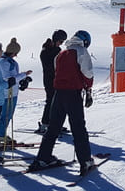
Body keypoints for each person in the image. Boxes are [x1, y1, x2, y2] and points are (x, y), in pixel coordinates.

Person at [31, 30, 96, 175]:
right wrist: (88, 88)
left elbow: (56, 71)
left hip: (58, 94)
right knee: (78, 127)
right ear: (85, 41)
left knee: (53, 127)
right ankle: (85, 161)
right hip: (73, 93)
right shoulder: (81, 51)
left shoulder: (61, 54)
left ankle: (43, 157)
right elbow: (88, 73)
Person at [0, 37, 33, 147]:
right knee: (4, 115)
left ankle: (1, 133)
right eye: (15, 53)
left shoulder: (12, 62)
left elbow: (14, 77)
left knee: (8, 115)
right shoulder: (3, 62)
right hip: (6, 93)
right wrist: (23, 75)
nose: (16, 55)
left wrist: (23, 80)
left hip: (13, 92)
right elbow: (8, 78)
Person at [37, 29, 68, 134]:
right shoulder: (45, 51)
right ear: (56, 40)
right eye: (61, 41)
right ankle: (45, 123)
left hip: (57, 79)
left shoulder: (57, 50)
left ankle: (55, 123)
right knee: (50, 101)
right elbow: (48, 66)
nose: (61, 44)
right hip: (49, 80)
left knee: (58, 102)